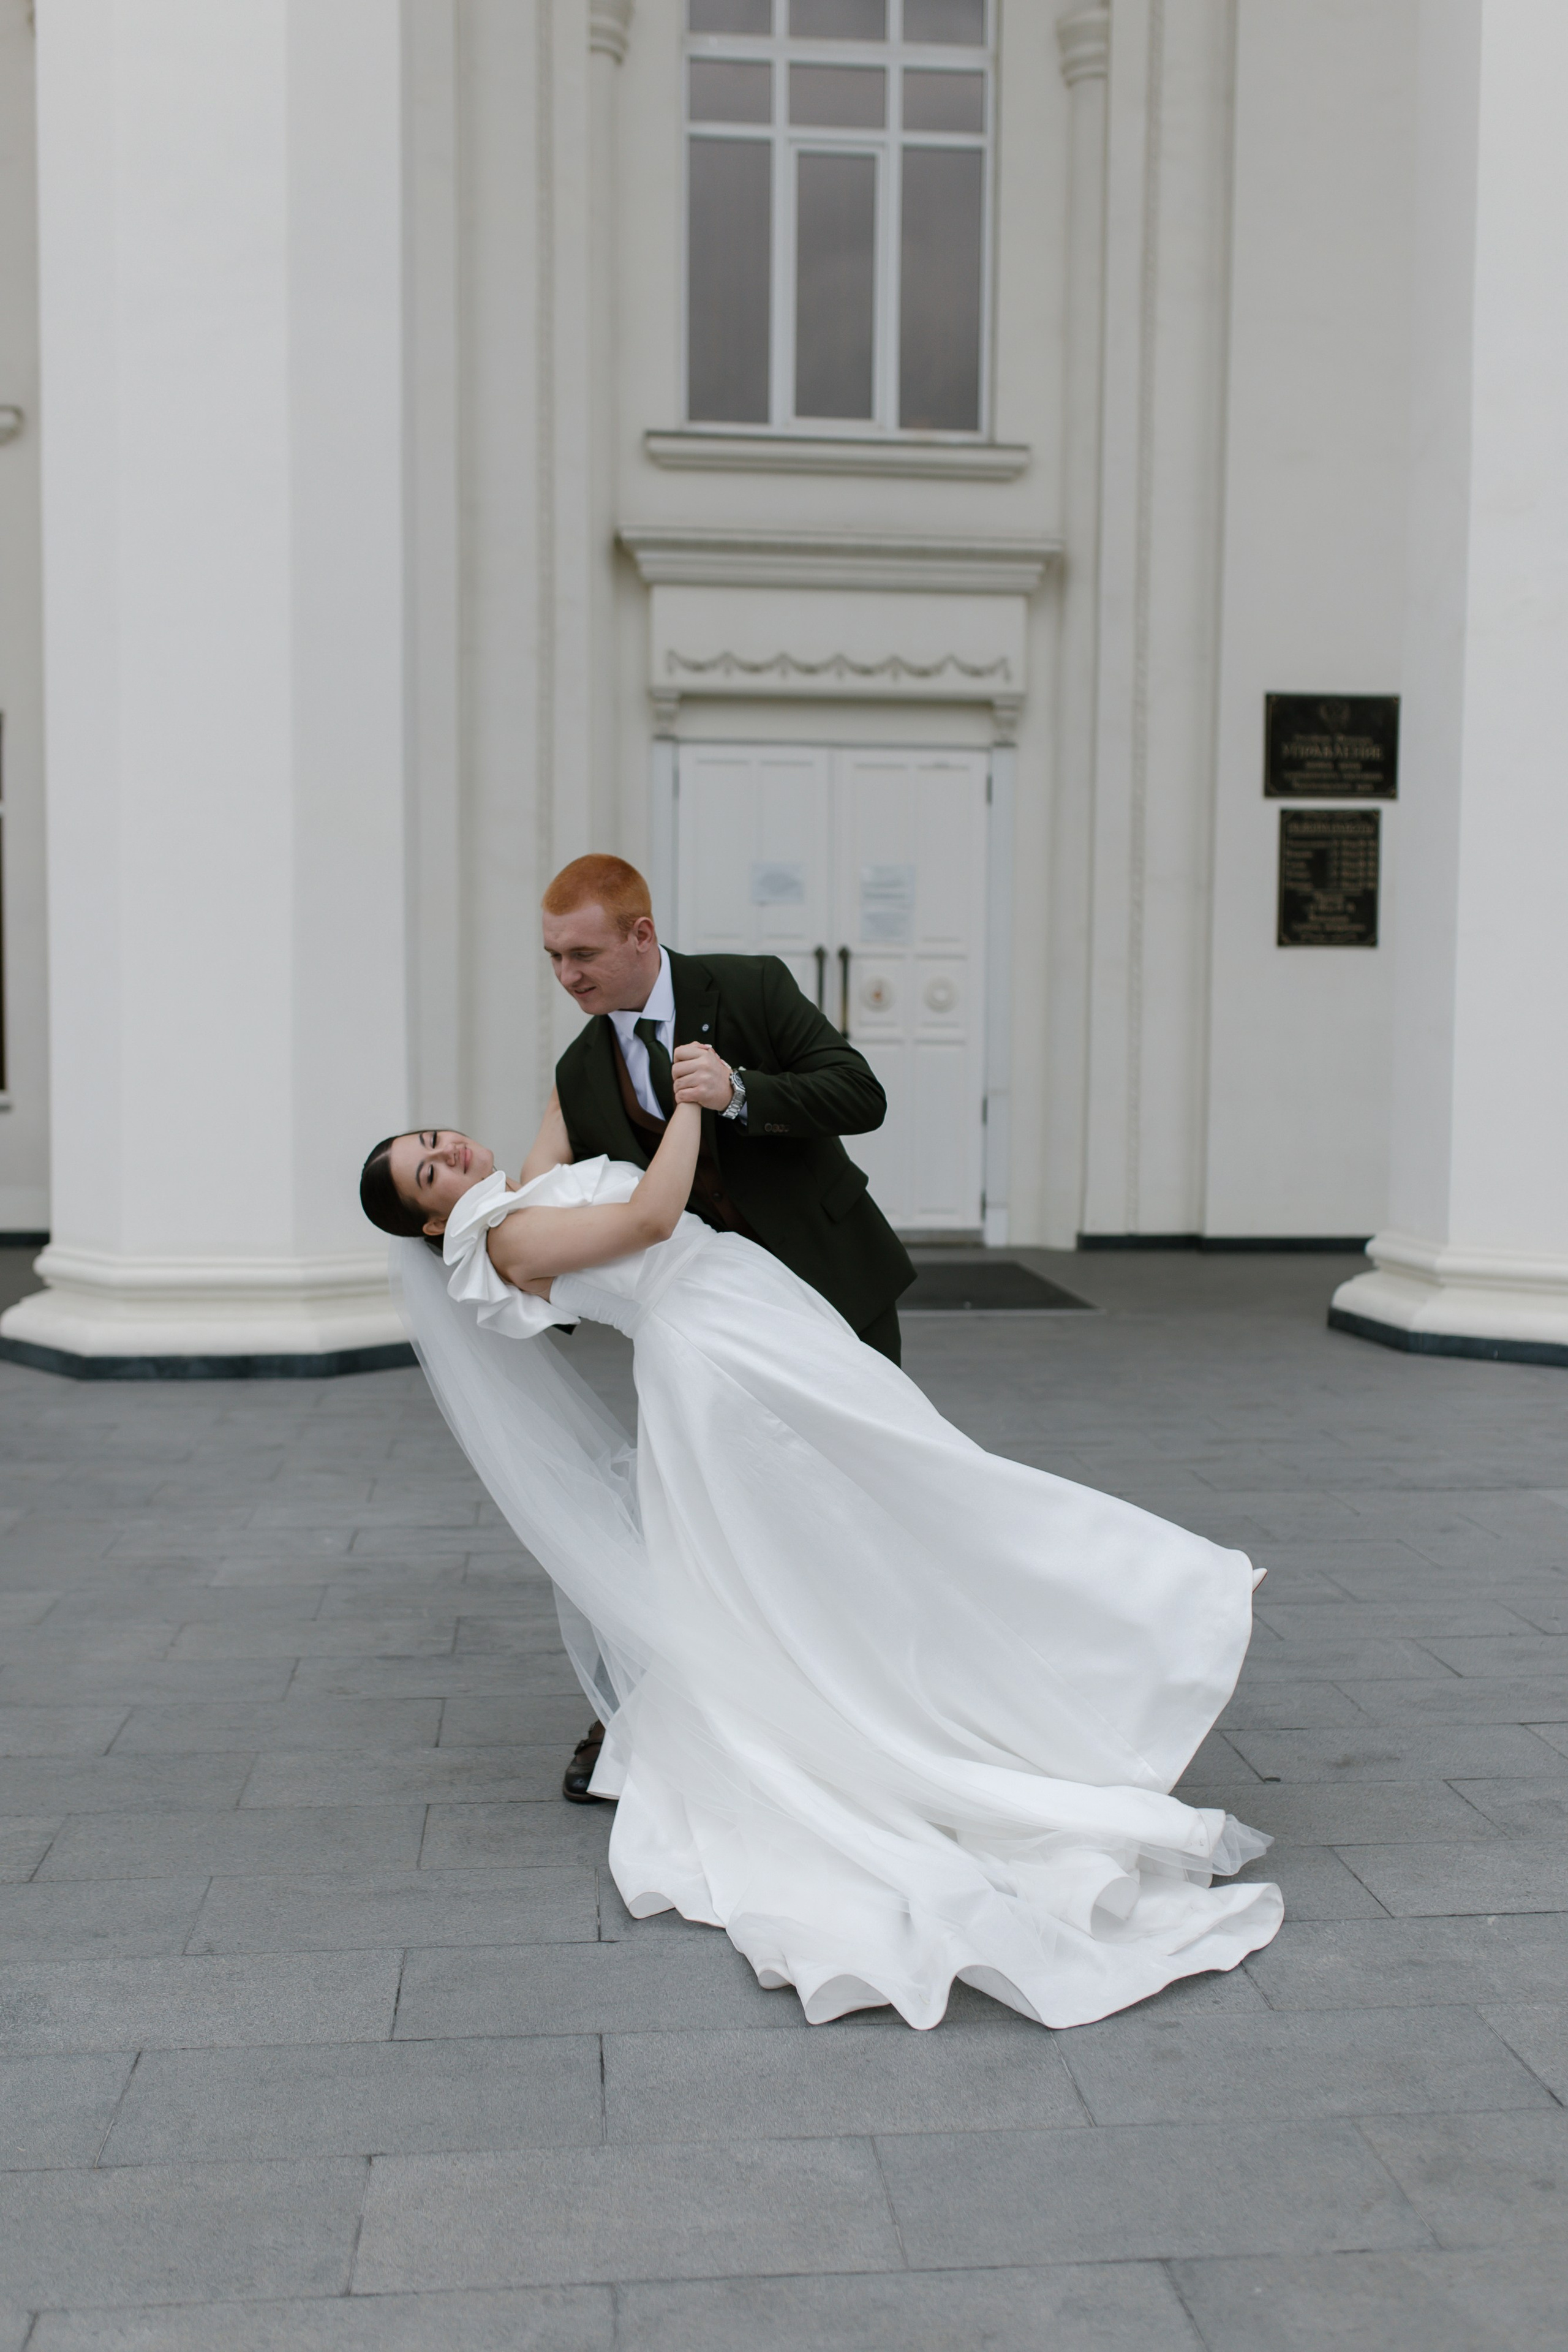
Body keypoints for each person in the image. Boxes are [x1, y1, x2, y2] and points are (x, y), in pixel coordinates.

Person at [359, 1101, 1283, 2032]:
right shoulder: (509, 1239)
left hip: (740, 1315)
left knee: (885, 1506)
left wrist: (610, 999)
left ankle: (1083, 1639)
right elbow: (646, 1218)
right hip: (721, 1353)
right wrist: (691, 1101)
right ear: (436, 1222)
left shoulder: (515, 1200)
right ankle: (1160, 1599)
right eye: (429, 1172)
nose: (449, 1152)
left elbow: (553, 1138)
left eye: (437, 1139)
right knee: (916, 1489)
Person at [533, 853, 913, 1799]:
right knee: (706, 1521)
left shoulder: (746, 988)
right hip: (711, 1336)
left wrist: (742, 1090)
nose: (568, 977)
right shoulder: (581, 1072)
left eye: (583, 954)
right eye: (553, 960)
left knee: (860, 1503)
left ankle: (884, 1702)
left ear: (641, 936)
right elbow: (573, 1208)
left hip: (828, 1291)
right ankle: (656, 1710)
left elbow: (859, 1095)